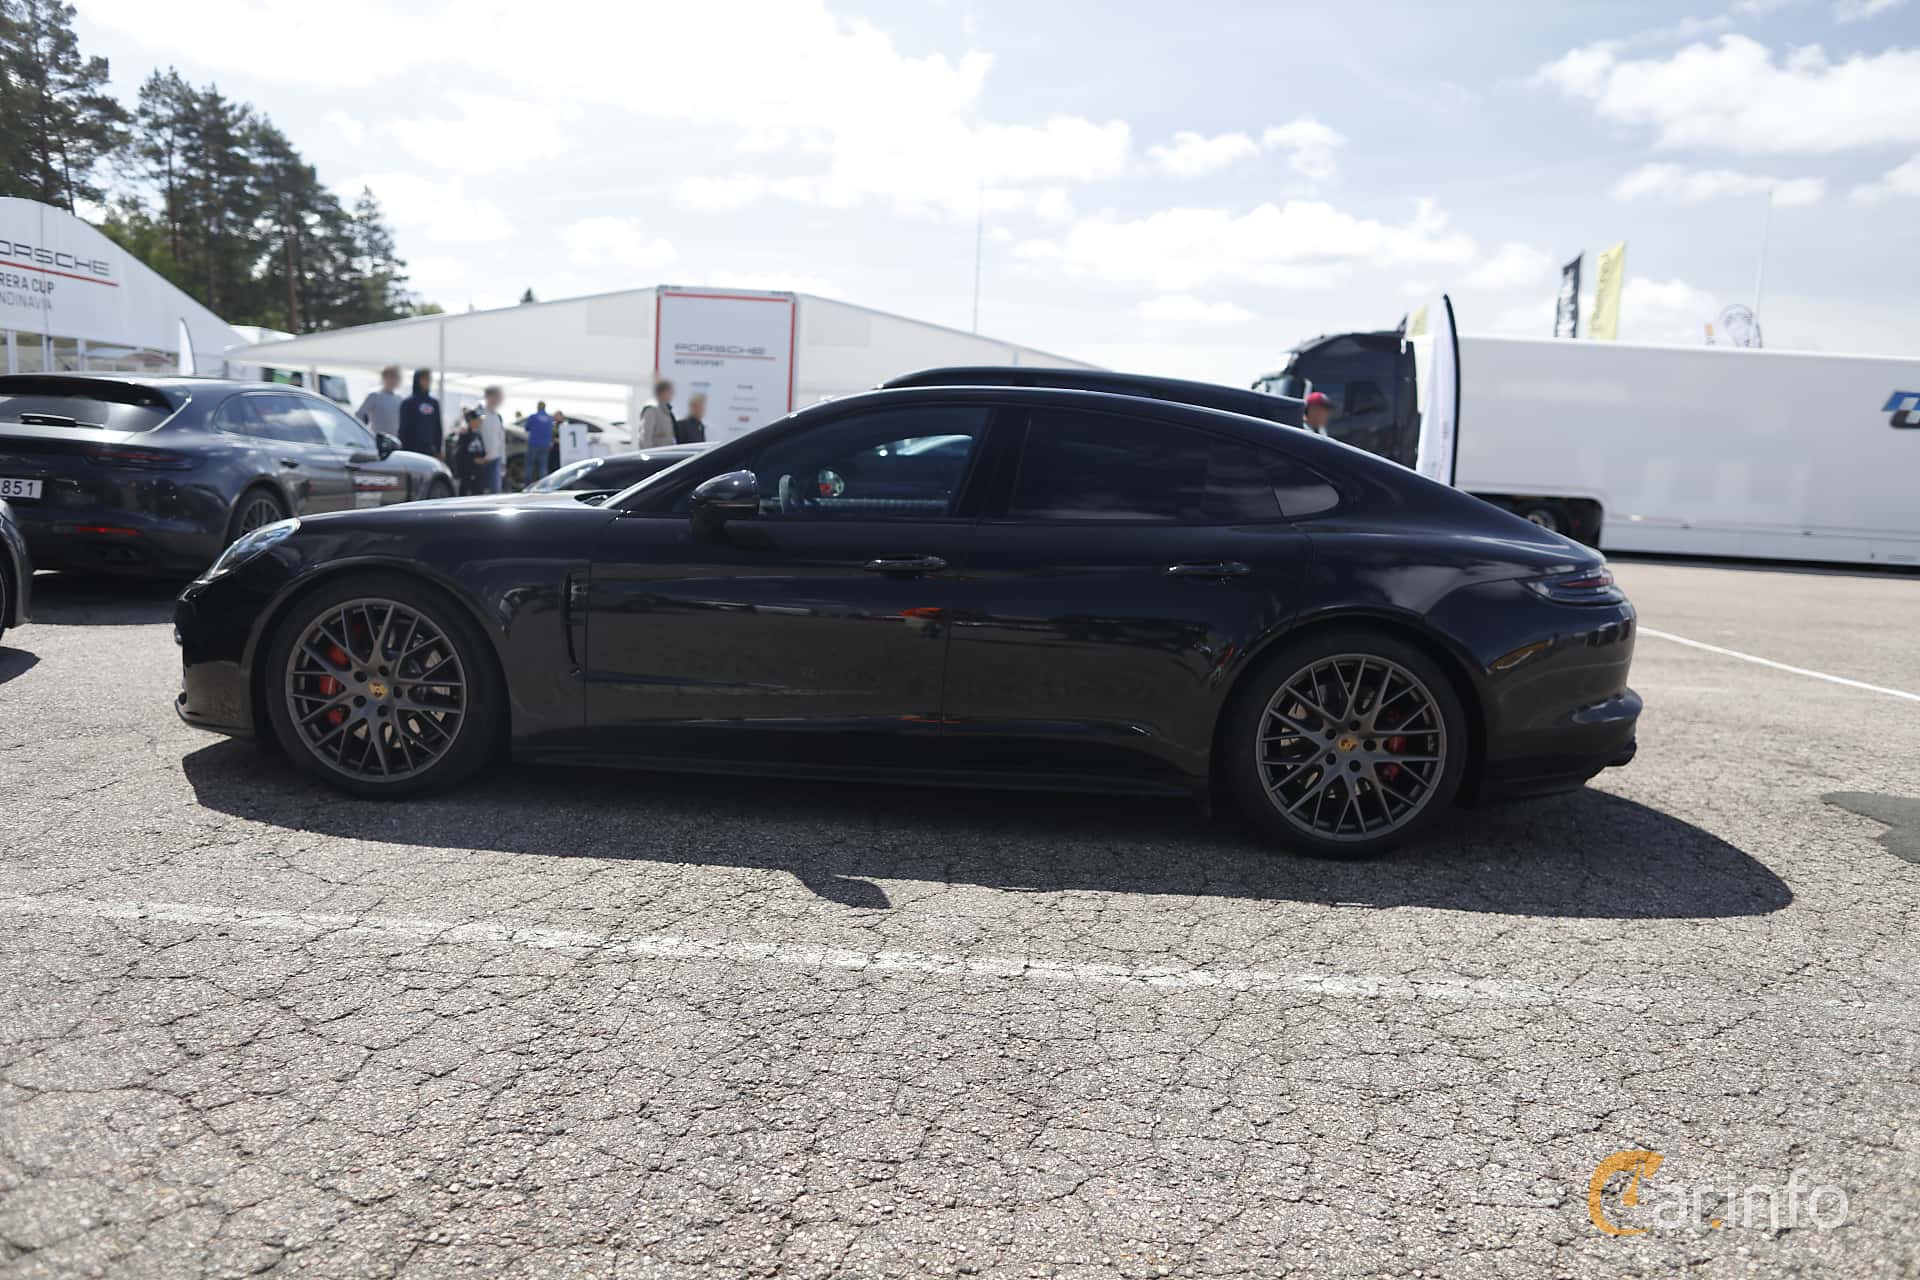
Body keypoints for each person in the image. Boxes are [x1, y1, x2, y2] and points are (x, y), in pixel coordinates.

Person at [397, 369, 443, 458]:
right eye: (424, 379)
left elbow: (438, 427)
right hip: (411, 449)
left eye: (428, 379)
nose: (427, 382)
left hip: (429, 449)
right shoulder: (408, 403)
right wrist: (403, 449)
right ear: (417, 380)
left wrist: (439, 448)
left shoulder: (434, 403)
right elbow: (403, 428)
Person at [356, 365, 404, 439]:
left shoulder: (400, 399)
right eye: (391, 377)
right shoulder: (374, 396)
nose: (393, 381)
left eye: (396, 378)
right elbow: (359, 415)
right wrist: (365, 434)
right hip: (376, 438)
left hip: (394, 440)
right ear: (384, 378)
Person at [477, 385, 506, 493]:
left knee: (496, 491)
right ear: (489, 397)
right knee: (479, 491)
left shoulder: (497, 417)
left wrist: (503, 460)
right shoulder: (479, 413)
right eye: (497, 397)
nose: (499, 400)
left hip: (495, 459)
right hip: (481, 459)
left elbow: (501, 439)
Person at [452, 408, 486, 495]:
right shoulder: (464, 435)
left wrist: (483, 458)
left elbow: (482, 451)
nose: (479, 421)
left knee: (479, 492)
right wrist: (473, 460)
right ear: (471, 420)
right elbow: (460, 454)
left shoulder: (478, 434)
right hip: (467, 471)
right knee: (465, 491)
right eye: (477, 419)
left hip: (478, 471)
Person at [523, 400, 555, 484]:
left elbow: (526, 428)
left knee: (529, 465)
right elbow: (551, 431)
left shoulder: (533, 417)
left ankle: (527, 484)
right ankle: (543, 485)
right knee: (543, 466)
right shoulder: (549, 418)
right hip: (545, 444)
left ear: (537, 407)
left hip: (533, 443)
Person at [637, 379, 676, 447]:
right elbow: (645, 438)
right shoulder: (651, 411)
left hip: (667, 452)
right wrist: (649, 453)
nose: (672, 395)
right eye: (670, 392)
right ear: (663, 392)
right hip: (656, 452)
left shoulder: (667, 411)